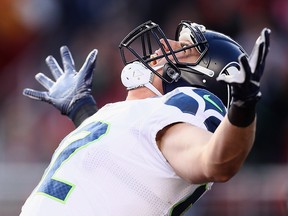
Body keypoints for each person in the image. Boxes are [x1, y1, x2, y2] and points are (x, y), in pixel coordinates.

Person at [20, 20, 270, 215]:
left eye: (183, 49)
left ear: (200, 79)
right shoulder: (145, 117)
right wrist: (82, 110)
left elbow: (215, 161)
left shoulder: (184, 109)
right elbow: (122, 158)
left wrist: (242, 106)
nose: (165, 45)